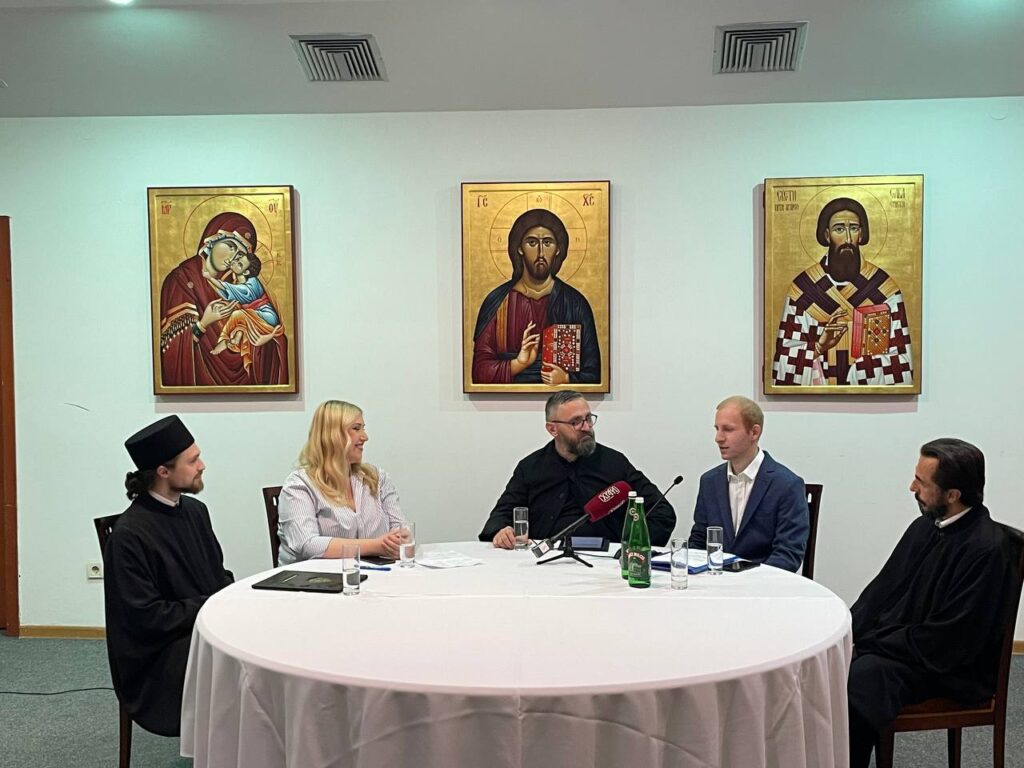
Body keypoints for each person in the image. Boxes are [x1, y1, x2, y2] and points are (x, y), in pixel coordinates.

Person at [847, 438, 1016, 768]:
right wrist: (849, 634)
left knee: (861, 682)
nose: (912, 487)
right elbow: (881, 592)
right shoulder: (924, 527)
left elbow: (951, 639)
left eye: (921, 482)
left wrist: (872, 644)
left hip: (950, 667)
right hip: (907, 648)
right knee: (828, 667)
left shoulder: (987, 550)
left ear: (952, 495)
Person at [103, 415, 234, 737]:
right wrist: (214, 605)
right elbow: (147, 618)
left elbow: (219, 575)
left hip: (203, 626)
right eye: (192, 461)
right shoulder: (129, 534)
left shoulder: (195, 511)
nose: (202, 465)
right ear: (163, 472)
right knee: (242, 664)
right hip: (159, 657)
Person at [479, 390, 674, 548]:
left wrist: (633, 543)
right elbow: (501, 515)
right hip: (544, 559)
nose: (586, 427)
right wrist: (502, 531)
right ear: (552, 429)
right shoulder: (530, 467)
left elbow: (662, 511)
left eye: (588, 418)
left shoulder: (614, 463)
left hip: (605, 561)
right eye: (576, 422)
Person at [772, 197, 913, 386]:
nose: (847, 239)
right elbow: (783, 360)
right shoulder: (804, 290)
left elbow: (903, 362)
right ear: (827, 235)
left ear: (861, 235)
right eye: (839, 229)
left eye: (853, 228)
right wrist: (819, 347)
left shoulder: (883, 289)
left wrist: (860, 370)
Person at [158, 211, 288, 387]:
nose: (233, 257)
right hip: (199, 381)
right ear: (211, 240)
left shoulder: (239, 284)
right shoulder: (181, 281)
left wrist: (262, 339)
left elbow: (273, 336)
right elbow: (170, 350)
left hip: (246, 381)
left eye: (240, 255)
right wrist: (204, 323)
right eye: (231, 246)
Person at [471, 208, 600, 385]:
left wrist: (567, 379)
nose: (540, 252)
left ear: (558, 249)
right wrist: (519, 364)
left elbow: (594, 373)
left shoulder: (575, 303)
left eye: (547, 243)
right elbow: (479, 372)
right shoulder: (498, 302)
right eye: (532, 243)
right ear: (519, 248)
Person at [688, 396, 809, 572]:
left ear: (754, 432)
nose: (718, 438)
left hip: (762, 583)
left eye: (728, 429)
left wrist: (748, 582)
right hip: (714, 581)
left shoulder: (786, 485)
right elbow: (699, 541)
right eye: (717, 429)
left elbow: (788, 554)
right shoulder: (709, 481)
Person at [277, 400, 407, 564]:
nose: (365, 437)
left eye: (363, 428)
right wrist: (378, 546)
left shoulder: (377, 478)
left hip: (374, 574)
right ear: (332, 435)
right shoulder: (299, 485)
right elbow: (308, 544)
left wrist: (401, 543)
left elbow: (402, 531)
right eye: (356, 429)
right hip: (315, 577)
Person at [205, 250, 285, 364]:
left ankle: (223, 341)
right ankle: (237, 337)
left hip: (267, 317)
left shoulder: (250, 285)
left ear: (246, 272)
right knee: (240, 317)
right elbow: (226, 292)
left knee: (237, 314)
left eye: (240, 264)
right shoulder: (239, 281)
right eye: (237, 260)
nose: (235, 262)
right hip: (254, 315)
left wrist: (209, 277)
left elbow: (225, 288)